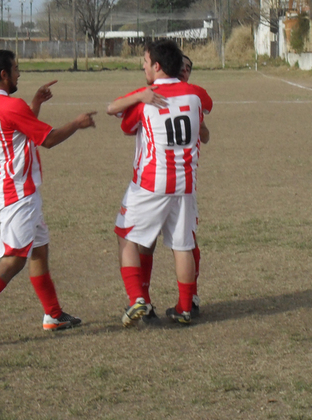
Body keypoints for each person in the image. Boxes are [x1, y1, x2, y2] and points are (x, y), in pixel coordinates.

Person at [0, 49, 97, 348]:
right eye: (16, 69)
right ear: (4, 74)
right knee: (15, 259)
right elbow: (48, 139)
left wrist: (36, 104)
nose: (19, 73)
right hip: (18, 194)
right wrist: (77, 123)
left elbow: (19, 130)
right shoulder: (10, 106)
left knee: (39, 250)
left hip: (15, 189)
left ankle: (53, 315)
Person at [111, 40, 213, 326]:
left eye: (145, 61)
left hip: (151, 183)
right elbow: (207, 104)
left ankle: (137, 299)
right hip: (185, 183)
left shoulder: (147, 97)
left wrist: (140, 98)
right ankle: (184, 308)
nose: (143, 65)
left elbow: (123, 124)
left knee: (126, 236)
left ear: (157, 66)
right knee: (182, 245)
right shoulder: (194, 95)